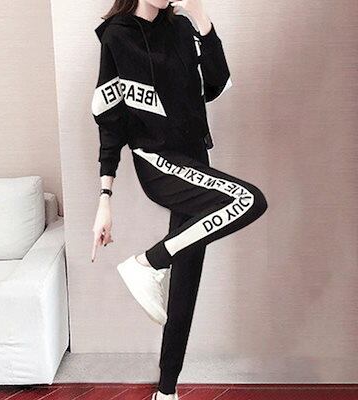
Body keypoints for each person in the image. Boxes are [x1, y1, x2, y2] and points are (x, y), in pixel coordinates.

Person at [91, 0, 268, 398]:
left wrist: (201, 17)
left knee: (186, 279)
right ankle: (147, 262)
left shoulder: (182, 29)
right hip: (158, 162)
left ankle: (166, 391)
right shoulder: (117, 37)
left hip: (195, 161)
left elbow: (216, 84)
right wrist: (105, 196)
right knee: (248, 201)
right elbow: (111, 122)